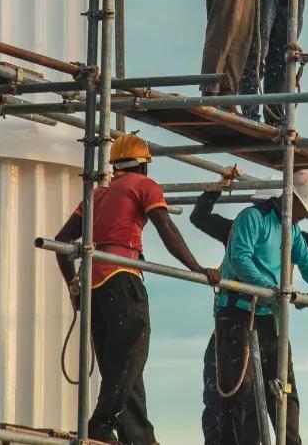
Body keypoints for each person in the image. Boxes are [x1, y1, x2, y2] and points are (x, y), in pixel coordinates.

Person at [55, 133, 221, 445]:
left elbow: (61, 244)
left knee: (121, 364)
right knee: (131, 357)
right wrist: (197, 267)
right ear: (143, 167)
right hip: (122, 276)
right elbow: (167, 228)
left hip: (94, 285)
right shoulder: (143, 186)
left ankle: (139, 436)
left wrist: (74, 286)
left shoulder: (96, 195)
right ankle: (100, 425)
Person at [191, 181, 308, 445]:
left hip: (269, 318)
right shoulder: (252, 219)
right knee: (243, 397)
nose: (307, 215)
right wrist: (268, 287)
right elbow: (240, 257)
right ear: (291, 198)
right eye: (306, 208)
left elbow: (307, 261)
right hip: (240, 315)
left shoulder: (291, 230)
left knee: (285, 392)